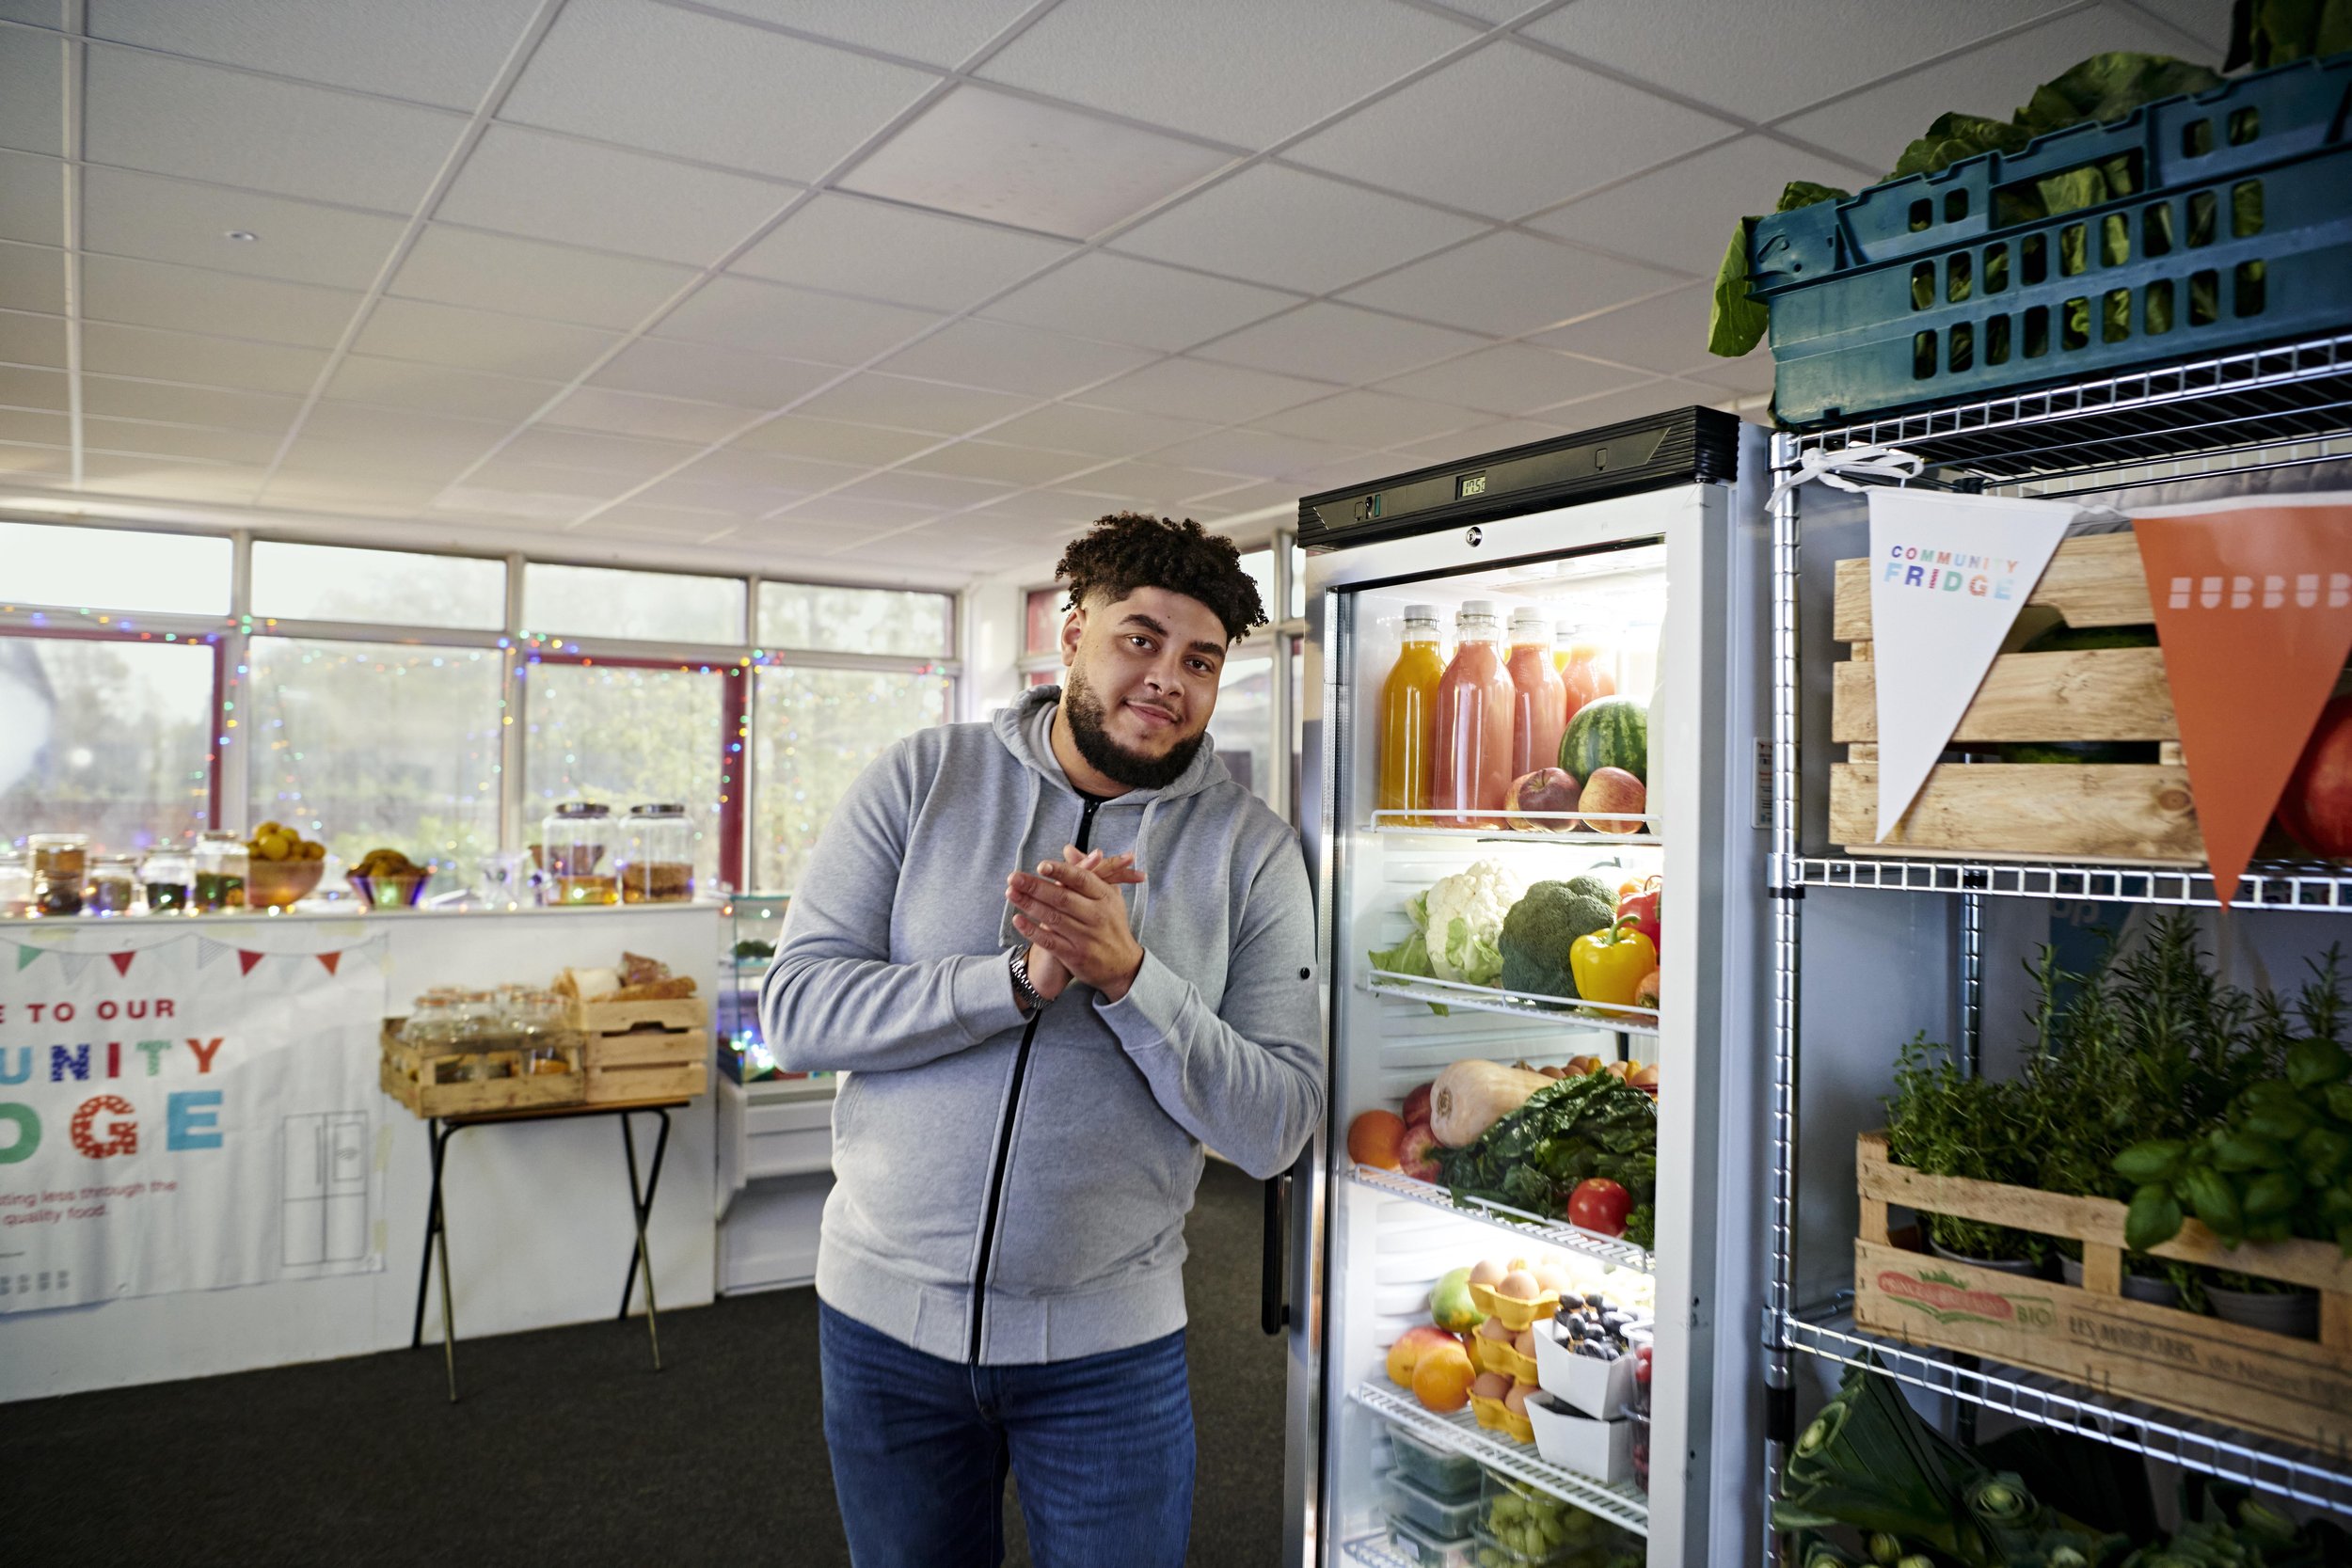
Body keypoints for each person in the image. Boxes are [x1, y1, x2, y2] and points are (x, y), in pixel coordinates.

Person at [762, 513, 1324, 1568]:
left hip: (1110, 1351)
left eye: (1199, 659)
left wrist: (1130, 978)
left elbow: (1278, 1128)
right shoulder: (923, 778)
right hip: (882, 1329)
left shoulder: (1252, 851)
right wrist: (1013, 981)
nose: (1166, 677)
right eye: (1139, 638)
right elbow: (796, 1011)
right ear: (1072, 634)